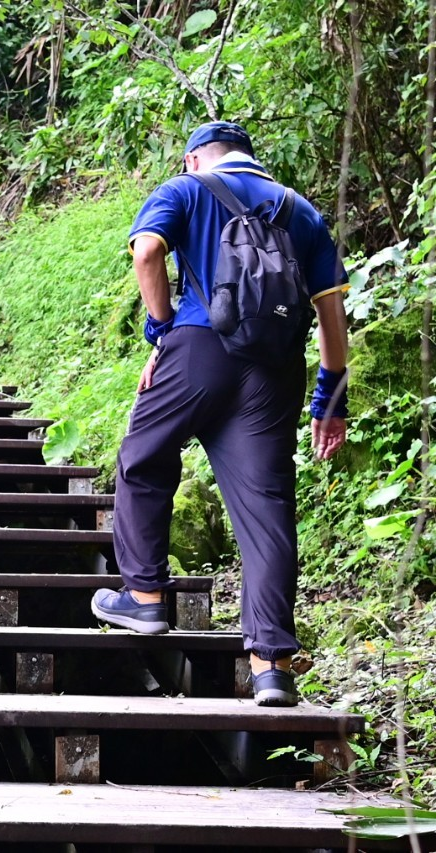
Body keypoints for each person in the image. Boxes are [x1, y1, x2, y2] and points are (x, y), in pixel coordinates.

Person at [90, 121, 350, 707]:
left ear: (193, 159)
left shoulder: (184, 190)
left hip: (198, 349)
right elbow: (333, 316)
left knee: (143, 457)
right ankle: (271, 665)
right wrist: (330, 402)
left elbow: (149, 252)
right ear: (251, 159)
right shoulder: (299, 210)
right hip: (274, 370)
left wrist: (160, 331)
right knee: (265, 508)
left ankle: (147, 599)